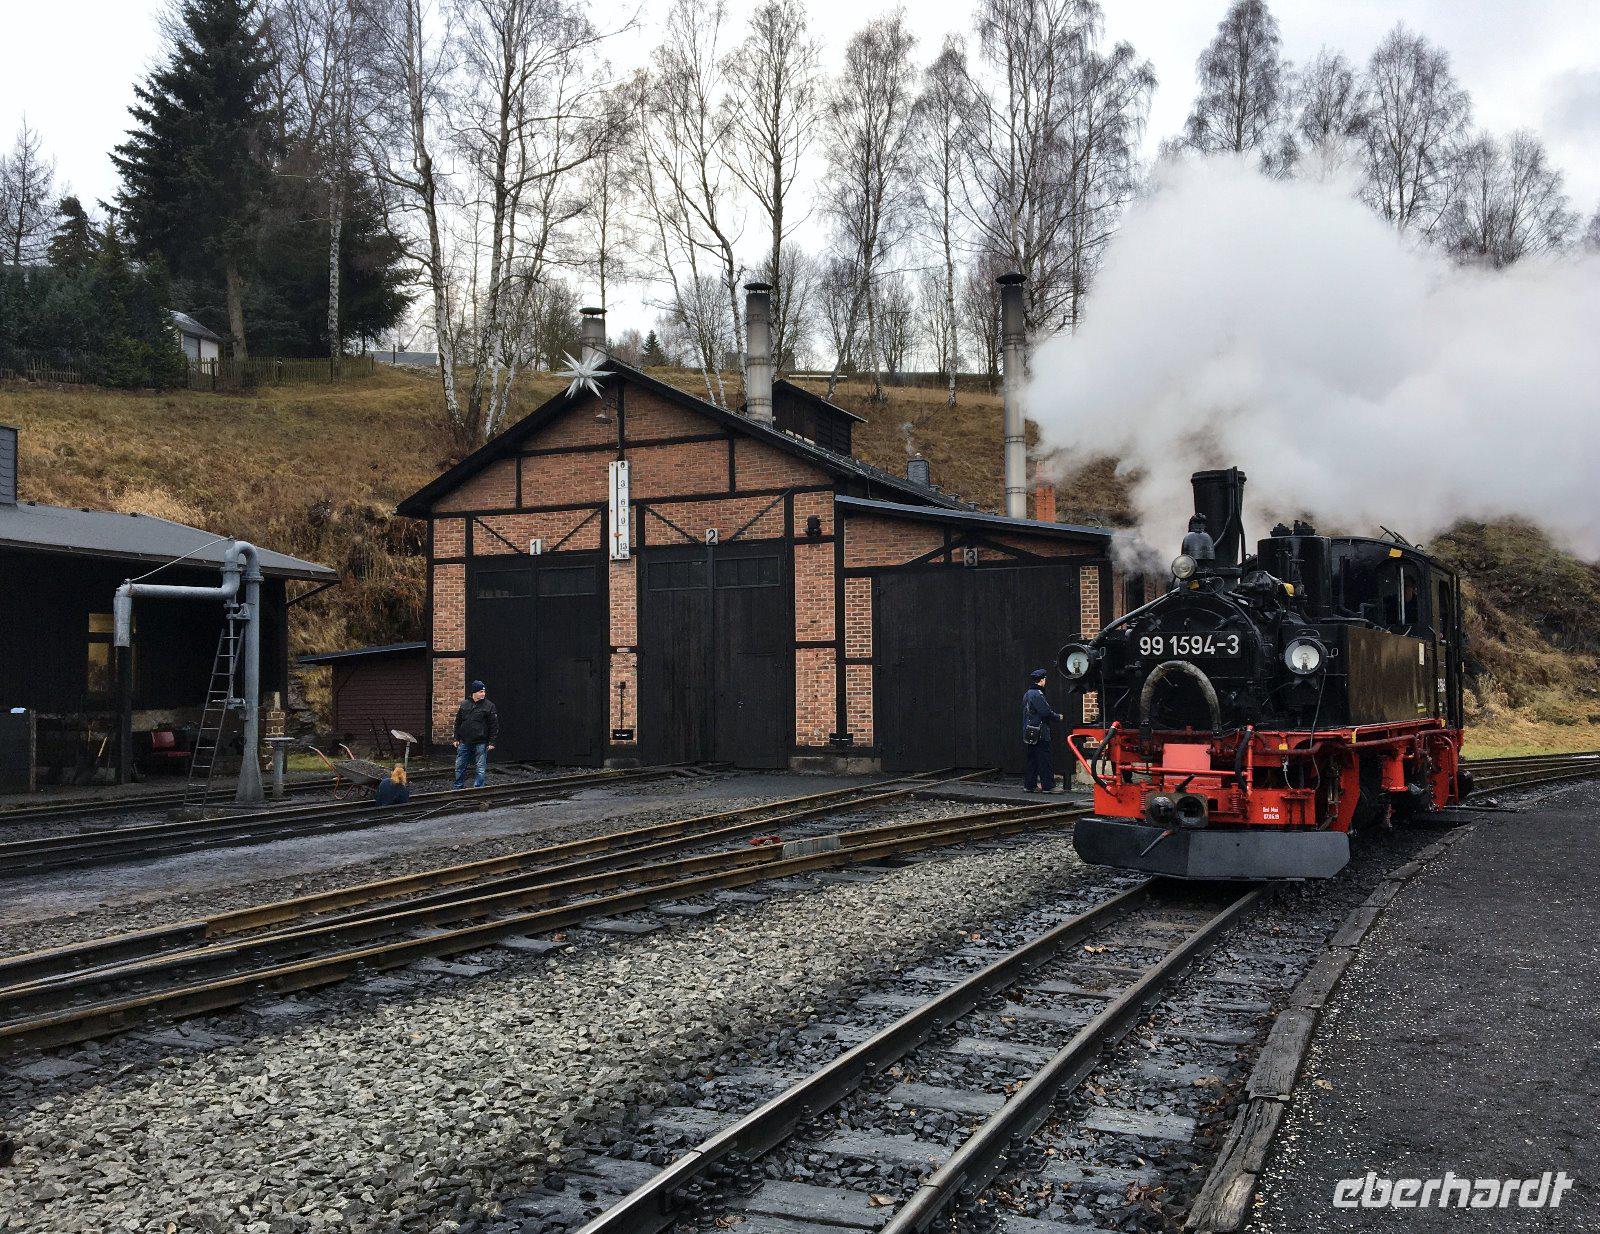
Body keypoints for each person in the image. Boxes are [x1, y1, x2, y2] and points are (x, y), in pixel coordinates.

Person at [1023, 668, 1065, 793]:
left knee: (1032, 759)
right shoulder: (1037, 694)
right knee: (1044, 759)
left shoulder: (1028, 693)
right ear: (1042, 680)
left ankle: (1029, 785)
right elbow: (1045, 712)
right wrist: (1058, 717)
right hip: (1040, 732)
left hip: (1030, 731)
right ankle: (1048, 786)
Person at [453, 679, 499, 789]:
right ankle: (458, 786)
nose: (483, 694)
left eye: (484, 691)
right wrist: (456, 738)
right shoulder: (464, 704)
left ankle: (478, 788)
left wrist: (492, 741)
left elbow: (494, 725)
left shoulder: (489, 706)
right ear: (474, 692)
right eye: (480, 691)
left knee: (480, 766)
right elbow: (458, 722)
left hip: (481, 741)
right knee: (460, 765)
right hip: (464, 741)